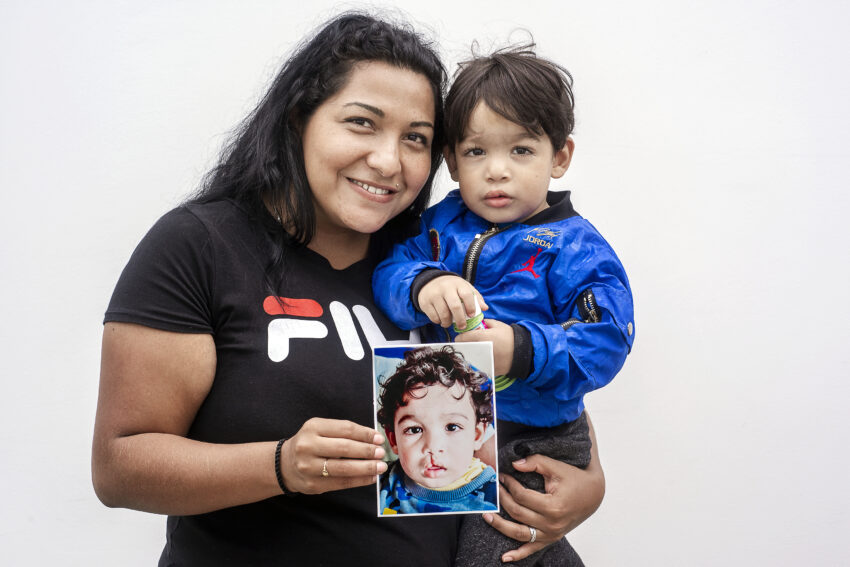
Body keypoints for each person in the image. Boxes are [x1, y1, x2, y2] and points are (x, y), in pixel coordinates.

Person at [92, 13, 607, 566]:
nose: (389, 161)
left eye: (416, 139)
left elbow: (534, 383)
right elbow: (121, 467)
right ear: (299, 118)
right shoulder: (202, 244)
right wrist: (281, 465)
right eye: (362, 123)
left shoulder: (432, 252)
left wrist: (588, 487)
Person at [373, 45, 635, 566]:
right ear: (450, 159)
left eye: (521, 150)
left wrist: (522, 349)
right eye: (476, 153)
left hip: (534, 441)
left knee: (495, 555)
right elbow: (386, 270)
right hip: (449, 421)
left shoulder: (575, 248)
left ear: (559, 156)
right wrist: (422, 284)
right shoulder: (438, 226)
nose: (497, 171)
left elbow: (608, 338)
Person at [377, 345, 498, 515]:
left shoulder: (497, 493)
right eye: (414, 430)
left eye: (452, 427)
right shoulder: (380, 484)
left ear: (477, 435)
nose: (433, 447)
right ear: (393, 440)